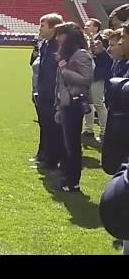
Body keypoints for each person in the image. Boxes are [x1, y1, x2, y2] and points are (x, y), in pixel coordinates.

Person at [54, 22, 94, 192]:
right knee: (67, 143)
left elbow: (86, 79)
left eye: (60, 34)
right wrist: (57, 106)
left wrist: (65, 70)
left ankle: (73, 181)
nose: (57, 38)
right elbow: (59, 84)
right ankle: (67, 176)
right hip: (65, 103)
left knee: (73, 144)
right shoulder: (67, 54)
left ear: (68, 36)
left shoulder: (81, 54)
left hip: (74, 104)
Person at [32, 13, 67, 170]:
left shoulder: (58, 46)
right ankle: (44, 154)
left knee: (53, 128)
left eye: (43, 25)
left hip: (53, 94)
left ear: (53, 28)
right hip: (43, 92)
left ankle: (52, 160)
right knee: (45, 126)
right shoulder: (45, 44)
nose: (40, 28)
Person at [83, 21, 111, 142]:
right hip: (88, 75)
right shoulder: (87, 39)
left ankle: (105, 131)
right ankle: (89, 129)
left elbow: (107, 58)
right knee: (88, 103)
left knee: (99, 103)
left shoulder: (102, 39)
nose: (85, 26)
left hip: (98, 76)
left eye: (88, 25)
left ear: (96, 27)